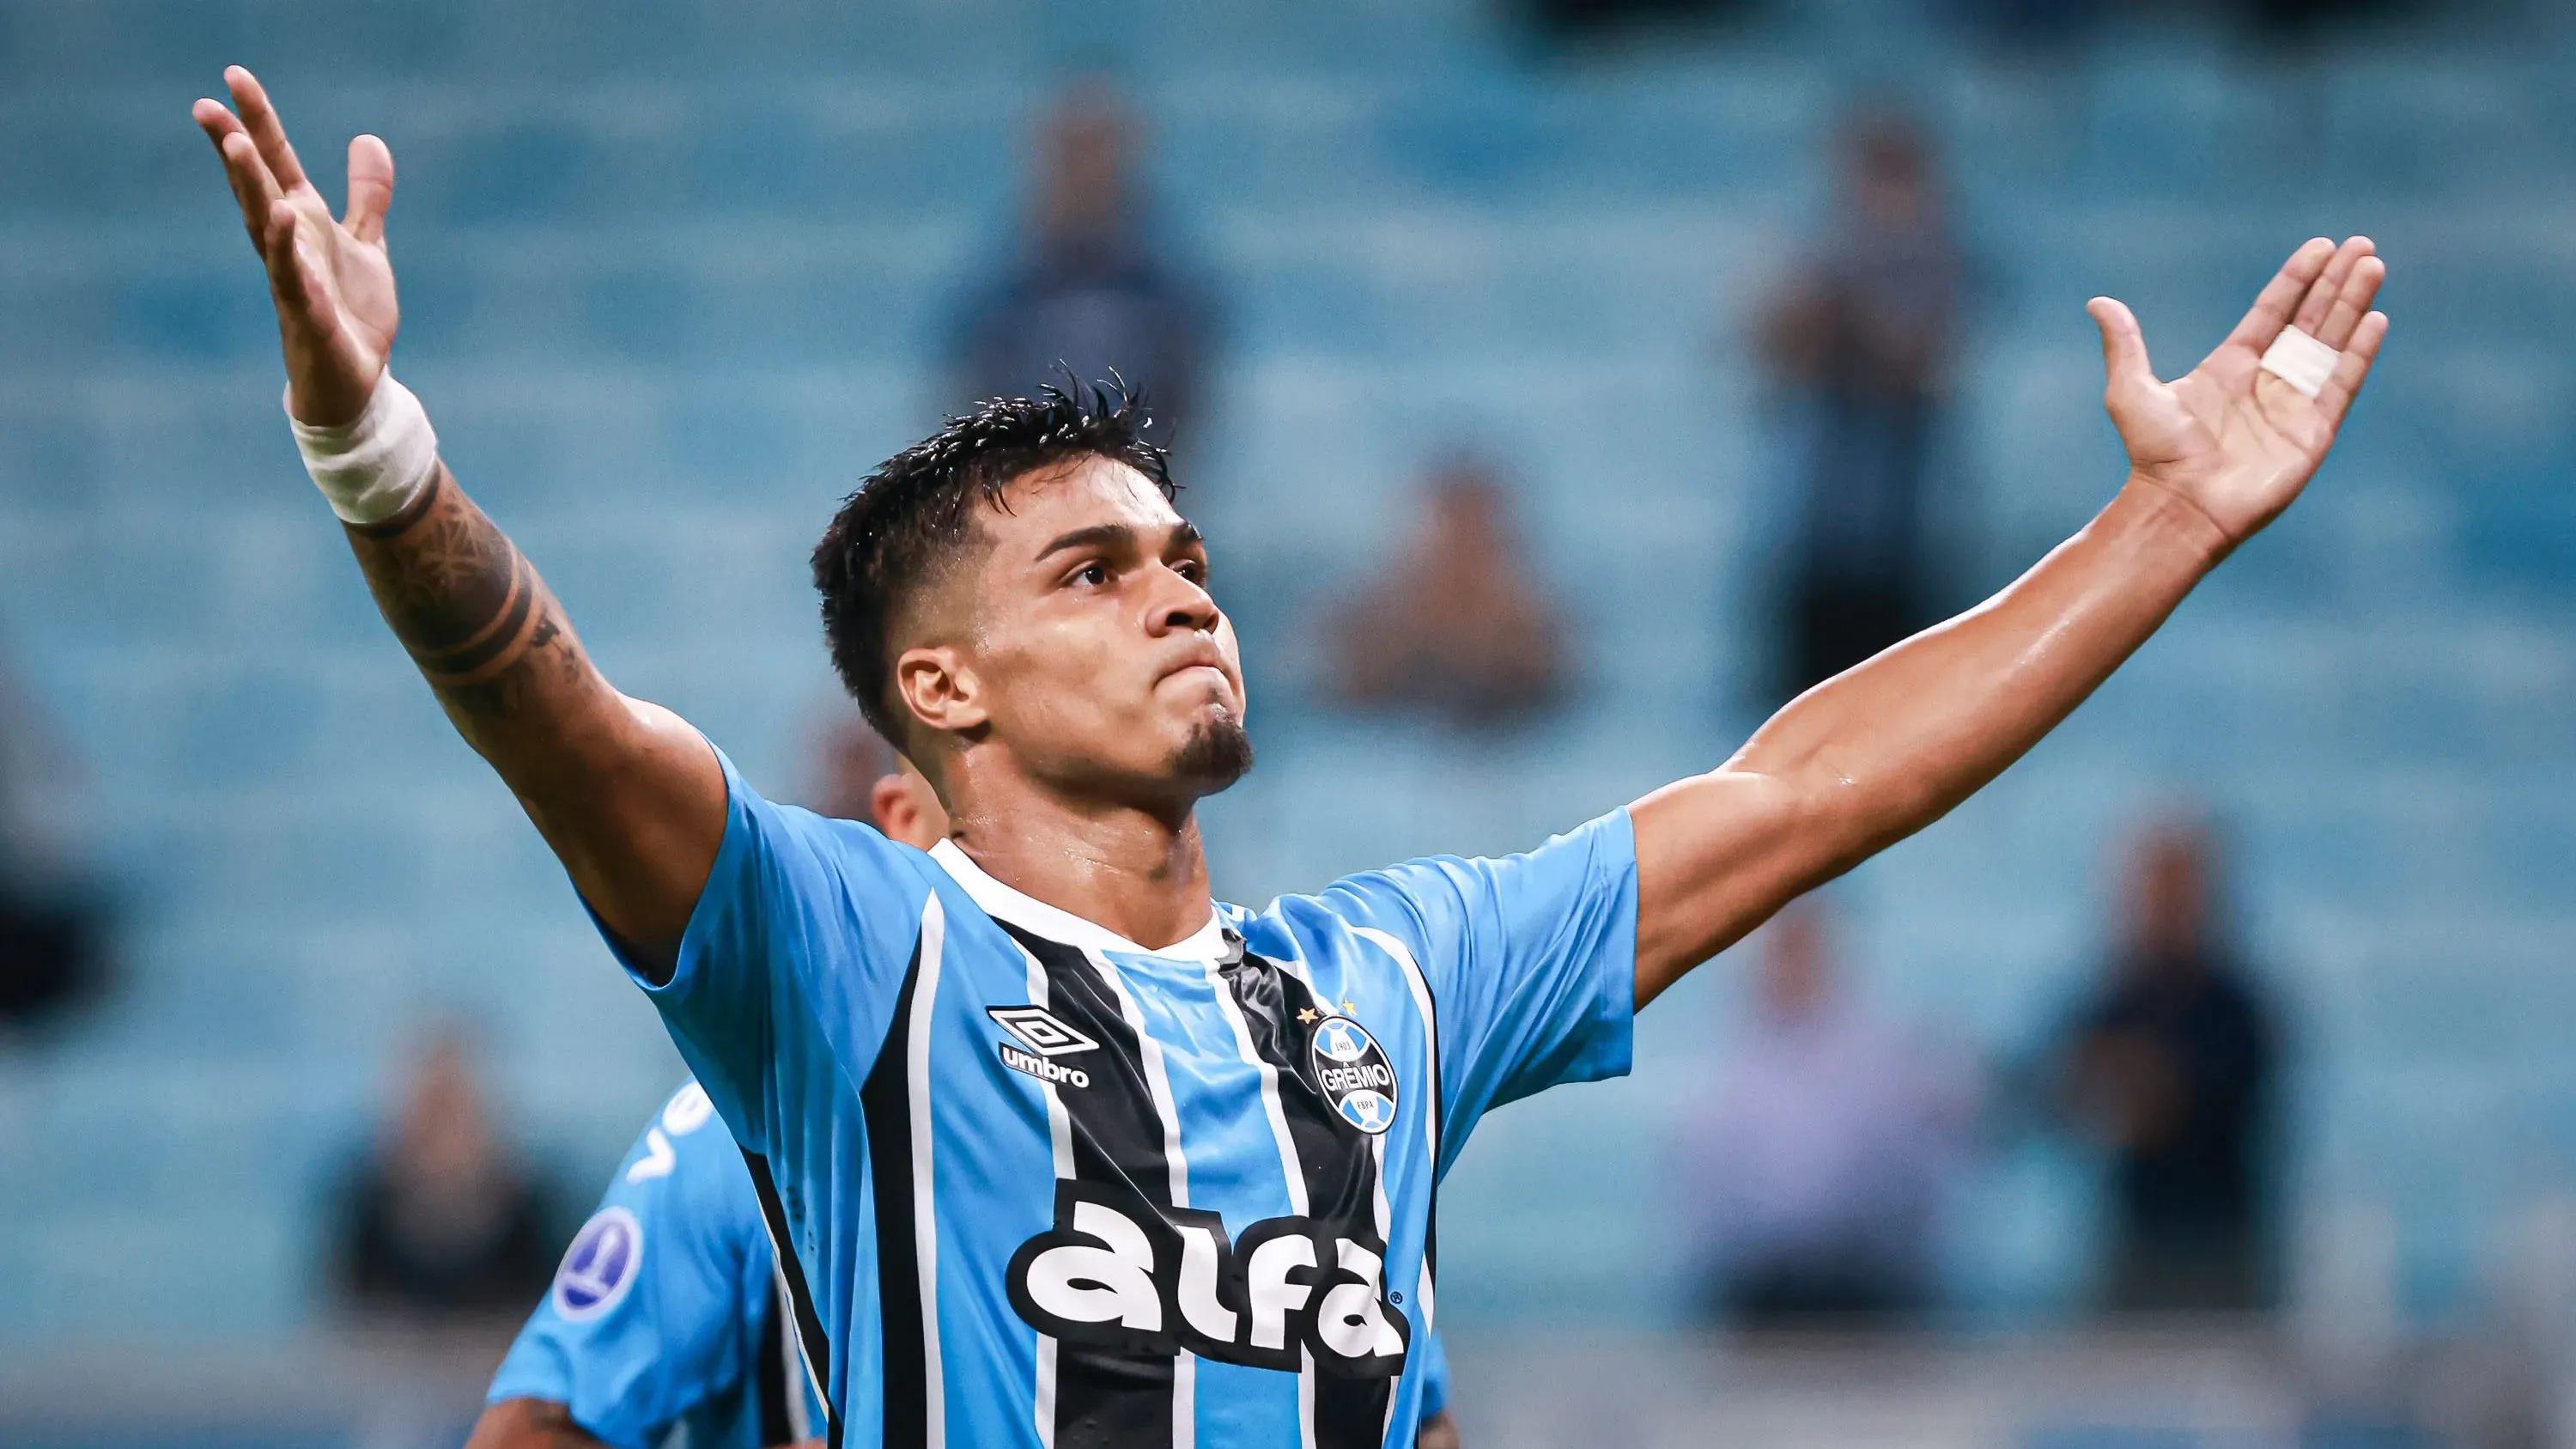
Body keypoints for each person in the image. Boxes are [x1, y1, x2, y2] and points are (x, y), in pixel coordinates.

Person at [193, 64, 2385, 1448]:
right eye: (1092, 571)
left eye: (1188, 557)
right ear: (935, 696)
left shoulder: (1392, 984)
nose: (1182, 594)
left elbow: (1811, 788)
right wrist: (371, 445)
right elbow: (549, 710)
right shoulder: (846, 957)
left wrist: (2164, 525)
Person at [1675, 898, 1975, 1327]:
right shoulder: (1730, 1077)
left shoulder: (1893, 1054)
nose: (1792, 967)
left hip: (1871, 1283)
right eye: (1782, 950)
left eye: (1802, 948)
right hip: (1765, 1287)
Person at [1753, 105, 1967, 700]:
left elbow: (1912, 366)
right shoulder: (1821, 264)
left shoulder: (1942, 265)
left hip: (1905, 544)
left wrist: (1845, 300)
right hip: (1817, 538)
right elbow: (1772, 358)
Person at [2057, 817, 2282, 1313]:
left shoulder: (2235, 1009)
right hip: (2135, 1247)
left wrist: (2136, 1079)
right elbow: (2062, 1093)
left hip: (2220, 1254)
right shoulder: (2116, 1000)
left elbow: (2181, 1101)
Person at [951, 78, 1216, 450]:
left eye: (1096, 150)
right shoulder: (1003, 293)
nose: (1084, 168)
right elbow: (969, 392)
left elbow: (1190, 401)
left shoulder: (1165, 291)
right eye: (1071, 152)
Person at [1326, 457, 1564, 728]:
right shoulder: (1374, 634)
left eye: (1478, 540)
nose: (1465, 558)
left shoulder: (1532, 642)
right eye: (1455, 539)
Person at [336, 1029, 559, 1318]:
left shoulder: (530, 1218)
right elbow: (344, 1320)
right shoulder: (366, 1212)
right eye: (432, 1115)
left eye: (454, 1114)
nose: (444, 1137)